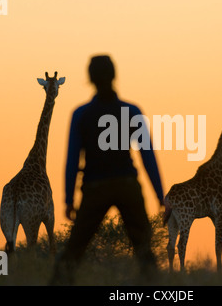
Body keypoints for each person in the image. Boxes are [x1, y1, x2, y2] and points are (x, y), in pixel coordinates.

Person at [52, 55, 165, 284]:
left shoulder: (81, 114)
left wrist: (68, 199)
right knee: (144, 250)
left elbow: (72, 160)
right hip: (127, 185)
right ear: (114, 76)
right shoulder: (132, 111)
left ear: (90, 79)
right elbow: (147, 156)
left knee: (73, 252)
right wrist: (161, 197)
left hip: (95, 188)